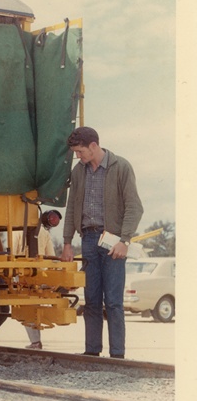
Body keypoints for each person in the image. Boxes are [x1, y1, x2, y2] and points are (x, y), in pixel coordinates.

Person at [61, 126, 143, 359]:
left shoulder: (121, 167)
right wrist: (67, 242)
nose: (78, 156)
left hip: (114, 242)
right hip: (87, 239)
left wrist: (124, 240)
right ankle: (92, 352)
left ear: (93, 146)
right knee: (92, 300)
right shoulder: (79, 172)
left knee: (114, 302)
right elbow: (71, 209)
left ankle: (117, 356)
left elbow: (134, 208)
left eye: (80, 151)